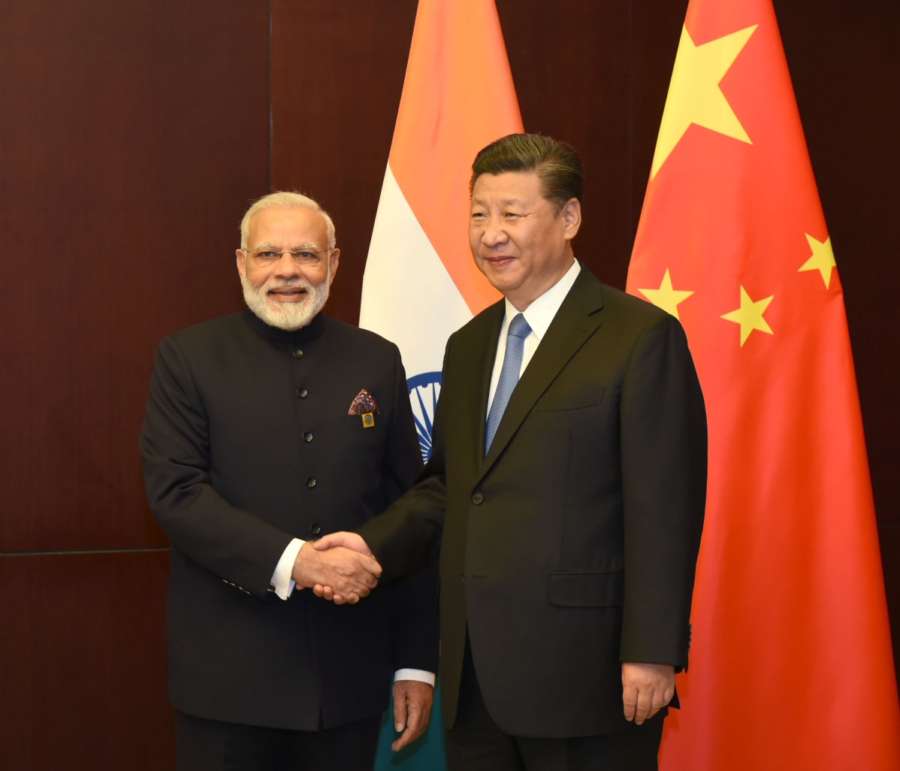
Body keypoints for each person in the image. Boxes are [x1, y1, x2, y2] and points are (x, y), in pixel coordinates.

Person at [313, 134, 707, 771]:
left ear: (569, 218)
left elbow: (666, 507)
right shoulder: (468, 347)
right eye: (478, 214)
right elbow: (449, 487)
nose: (490, 233)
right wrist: (373, 543)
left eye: (511, 214)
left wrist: (652, 650)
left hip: (590, 675)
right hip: (476, 679)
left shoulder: (638, 338)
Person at [140, 191, 437, 771]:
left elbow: (413, 509)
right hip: (227, 686)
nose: (287, 271)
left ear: (334, 263)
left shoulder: (376, 359)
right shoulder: (188, 358)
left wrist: (414, 661)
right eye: (268, 254)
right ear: (241, 263)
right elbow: (176, 494)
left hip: (350, 681)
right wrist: (297, 561)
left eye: (306, 254)